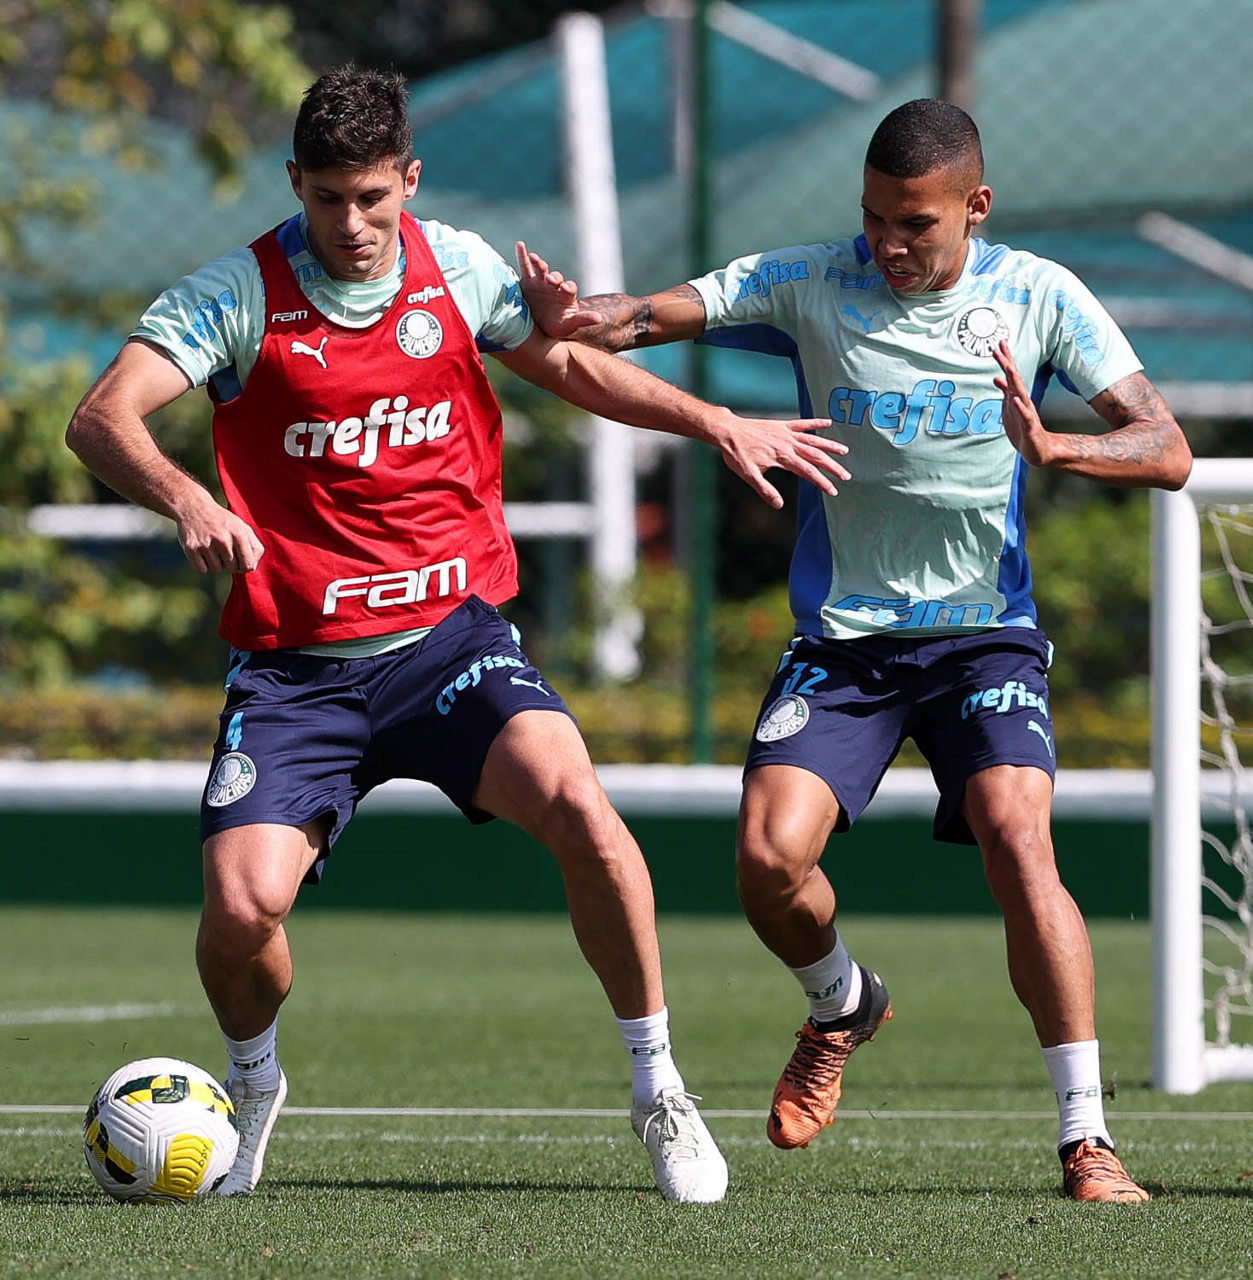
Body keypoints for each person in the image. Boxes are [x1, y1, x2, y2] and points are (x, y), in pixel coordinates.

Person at [65, 65, 852, 1205]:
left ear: (409, 180)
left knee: (583, 812)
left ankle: (658, 1089)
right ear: (294, 183)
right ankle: (255, 1078)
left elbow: (568, 364)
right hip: (296, 673)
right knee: (239, 913)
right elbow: (101, 417)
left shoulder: (461, 269)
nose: (351, 222)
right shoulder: (237, 292)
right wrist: (188, 497)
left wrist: (716, 419)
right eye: (327, 198)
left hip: (449, 646)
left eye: (372, 197)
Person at [518, 97, 1192, 1203]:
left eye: (914, 222)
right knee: (765, 860)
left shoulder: (1040, 295)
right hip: (844, 644)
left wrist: (1055, 446)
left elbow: (1163, 445)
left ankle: (1086, 1138)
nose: (887, 242)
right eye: (873, 216)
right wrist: (573, 315)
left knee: (1019, 842)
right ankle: (841, 1002)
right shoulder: (808, 280)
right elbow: (640, 316)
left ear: (975, 206)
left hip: (981, 638)